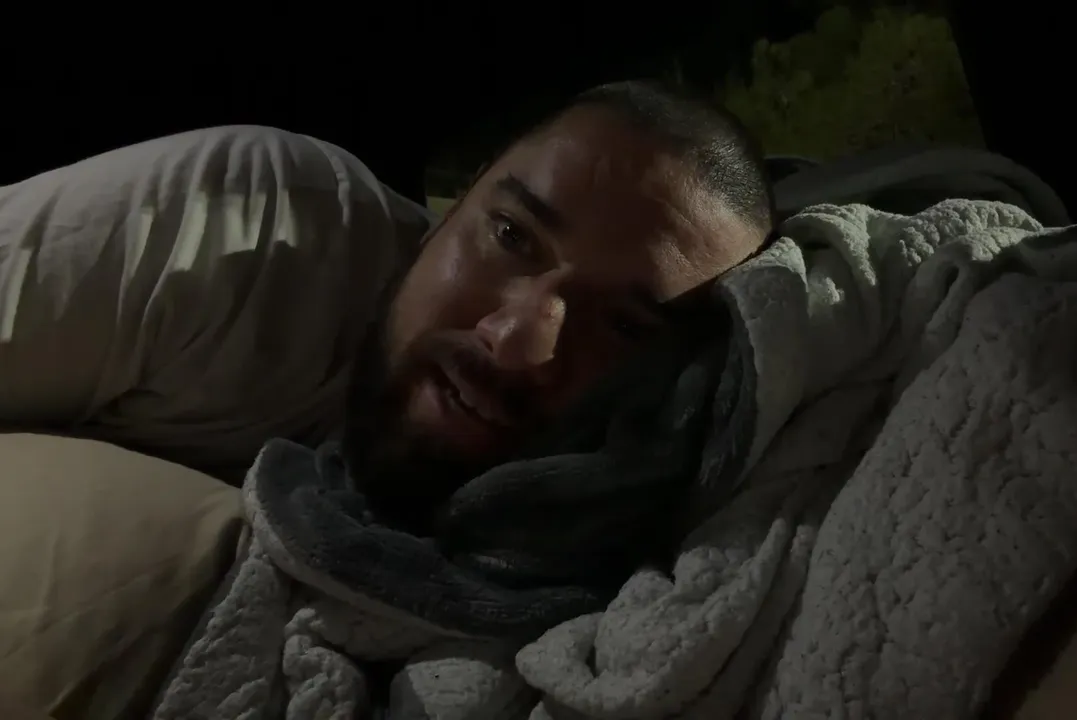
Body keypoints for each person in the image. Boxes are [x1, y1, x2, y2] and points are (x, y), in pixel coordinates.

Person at [0, 80, 774, 531]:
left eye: (624, 326)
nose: (516, 341)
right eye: (511, 236)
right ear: (450, 205)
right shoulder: (238, 230)